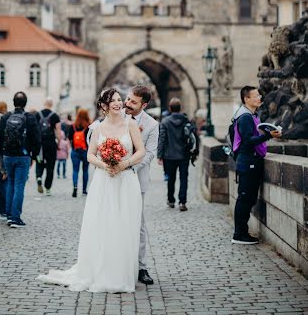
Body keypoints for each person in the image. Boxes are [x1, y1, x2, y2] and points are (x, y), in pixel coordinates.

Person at [38, 87, 145, 293]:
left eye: (119, 99)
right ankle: (102, 270)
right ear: (104, 106)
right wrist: (105, 165)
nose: (117, 103)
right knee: (104, 225)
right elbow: (90, 155)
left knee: (125, 225)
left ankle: (122, 274)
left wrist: (125, 163)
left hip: (126, 180)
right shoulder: (97, 128)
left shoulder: (130, 124)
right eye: (112, 100)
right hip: (104, 181)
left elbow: (141, 151)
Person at [232, 86, 282, 245]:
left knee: (248, 198)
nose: (260, 98)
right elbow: (248, 140)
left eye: (259, 95)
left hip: (251, 161)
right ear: (246, 99)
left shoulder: (251, 115)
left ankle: (241, 232)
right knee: (245, 198)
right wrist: (268, 135)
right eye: (256, 96)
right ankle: (239, 234)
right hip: (248, 162)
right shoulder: (245, 117)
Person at [123, 85, 159, 286]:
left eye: (133, 102)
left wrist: (130, 168)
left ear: (144, 105)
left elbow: (151, 152)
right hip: (113, 178)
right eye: (127, 99)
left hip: (136, 178)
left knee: (139, 224)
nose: (127, 104)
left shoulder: (152, 125)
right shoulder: (116, 114)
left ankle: (141, 266)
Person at [0, 91, 41, 227]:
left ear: (13, 102)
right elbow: (37, 139)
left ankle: (9, 215)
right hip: (23, 155)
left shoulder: (6, 117)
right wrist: (33, 155)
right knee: (19, 186)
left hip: (8, 156)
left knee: (10, 184)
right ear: (25, 103)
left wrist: (4, 152)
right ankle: (15, 218)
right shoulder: (30, 118)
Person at [157, 97, 199, 211]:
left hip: (169, 156)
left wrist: (159, 156)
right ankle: (182, 202)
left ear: (170, 108)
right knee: (184, 178)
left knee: (171, 179)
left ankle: (171, 200)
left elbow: (162, 139)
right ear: (180, 108)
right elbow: (193, 137)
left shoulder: (165, 122)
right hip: (184, 155)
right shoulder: (186, 120)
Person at [35, 98, 61, 196]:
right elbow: (58, 132)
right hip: (51, 144)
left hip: (40, 144)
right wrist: (58, 144)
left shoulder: (37, 115)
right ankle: (48, 188)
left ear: (44, 103)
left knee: (39, 162)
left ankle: (39, 177)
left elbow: (34, 131)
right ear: (51, 104)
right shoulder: (55, 116)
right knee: (50, 166)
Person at [67, 108, 91, 197]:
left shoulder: (73, 126)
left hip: (75, 151)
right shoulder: (89, 126)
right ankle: (84, 190)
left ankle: (75, 187)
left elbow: (69, 138)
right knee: (85, 170)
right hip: (86, 151)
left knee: (75, 170)